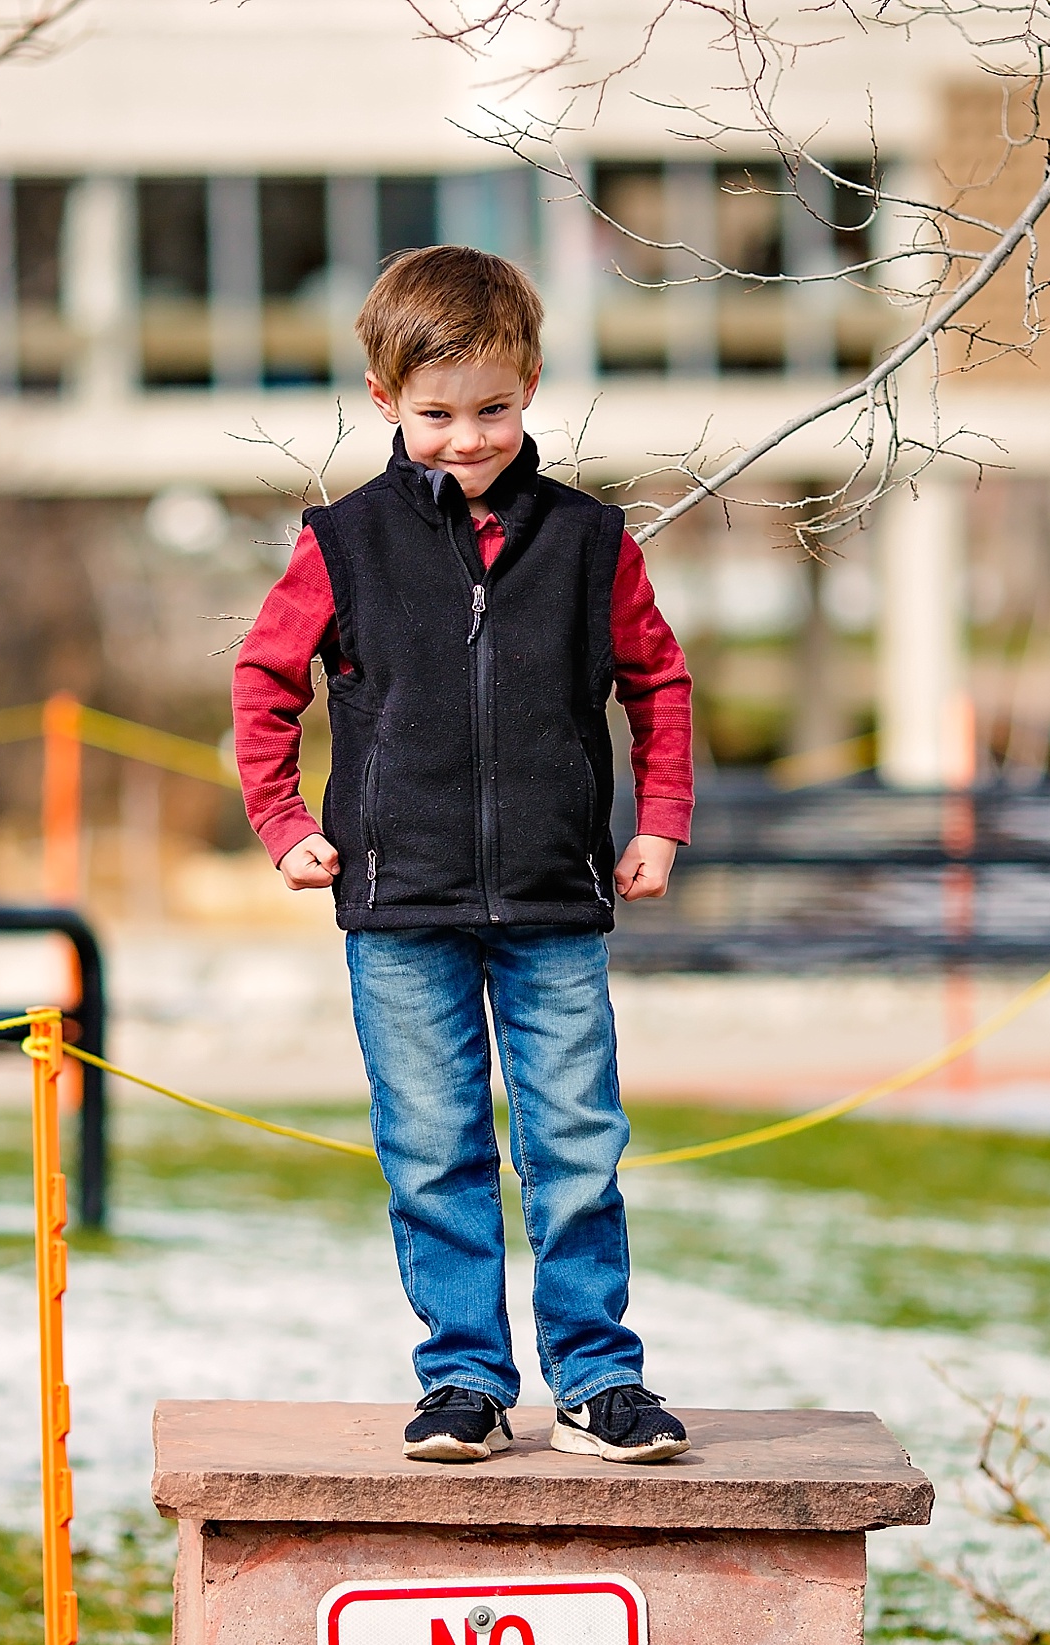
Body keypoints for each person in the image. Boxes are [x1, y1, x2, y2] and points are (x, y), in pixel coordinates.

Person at [233, 245, 695, 1465]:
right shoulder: (343, 543)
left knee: (577, 1148)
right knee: (435, 1153)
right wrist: (285, 824)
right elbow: (264, 683)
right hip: (398, 907)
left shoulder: (594, 543)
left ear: (531, 385)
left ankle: (599, 1379)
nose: (466, 437)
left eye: (492, 409)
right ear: (386, 402)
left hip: (555, 902)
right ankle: (466, 1385)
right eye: (437, 414)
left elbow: (657, 680)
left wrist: (658, 819)